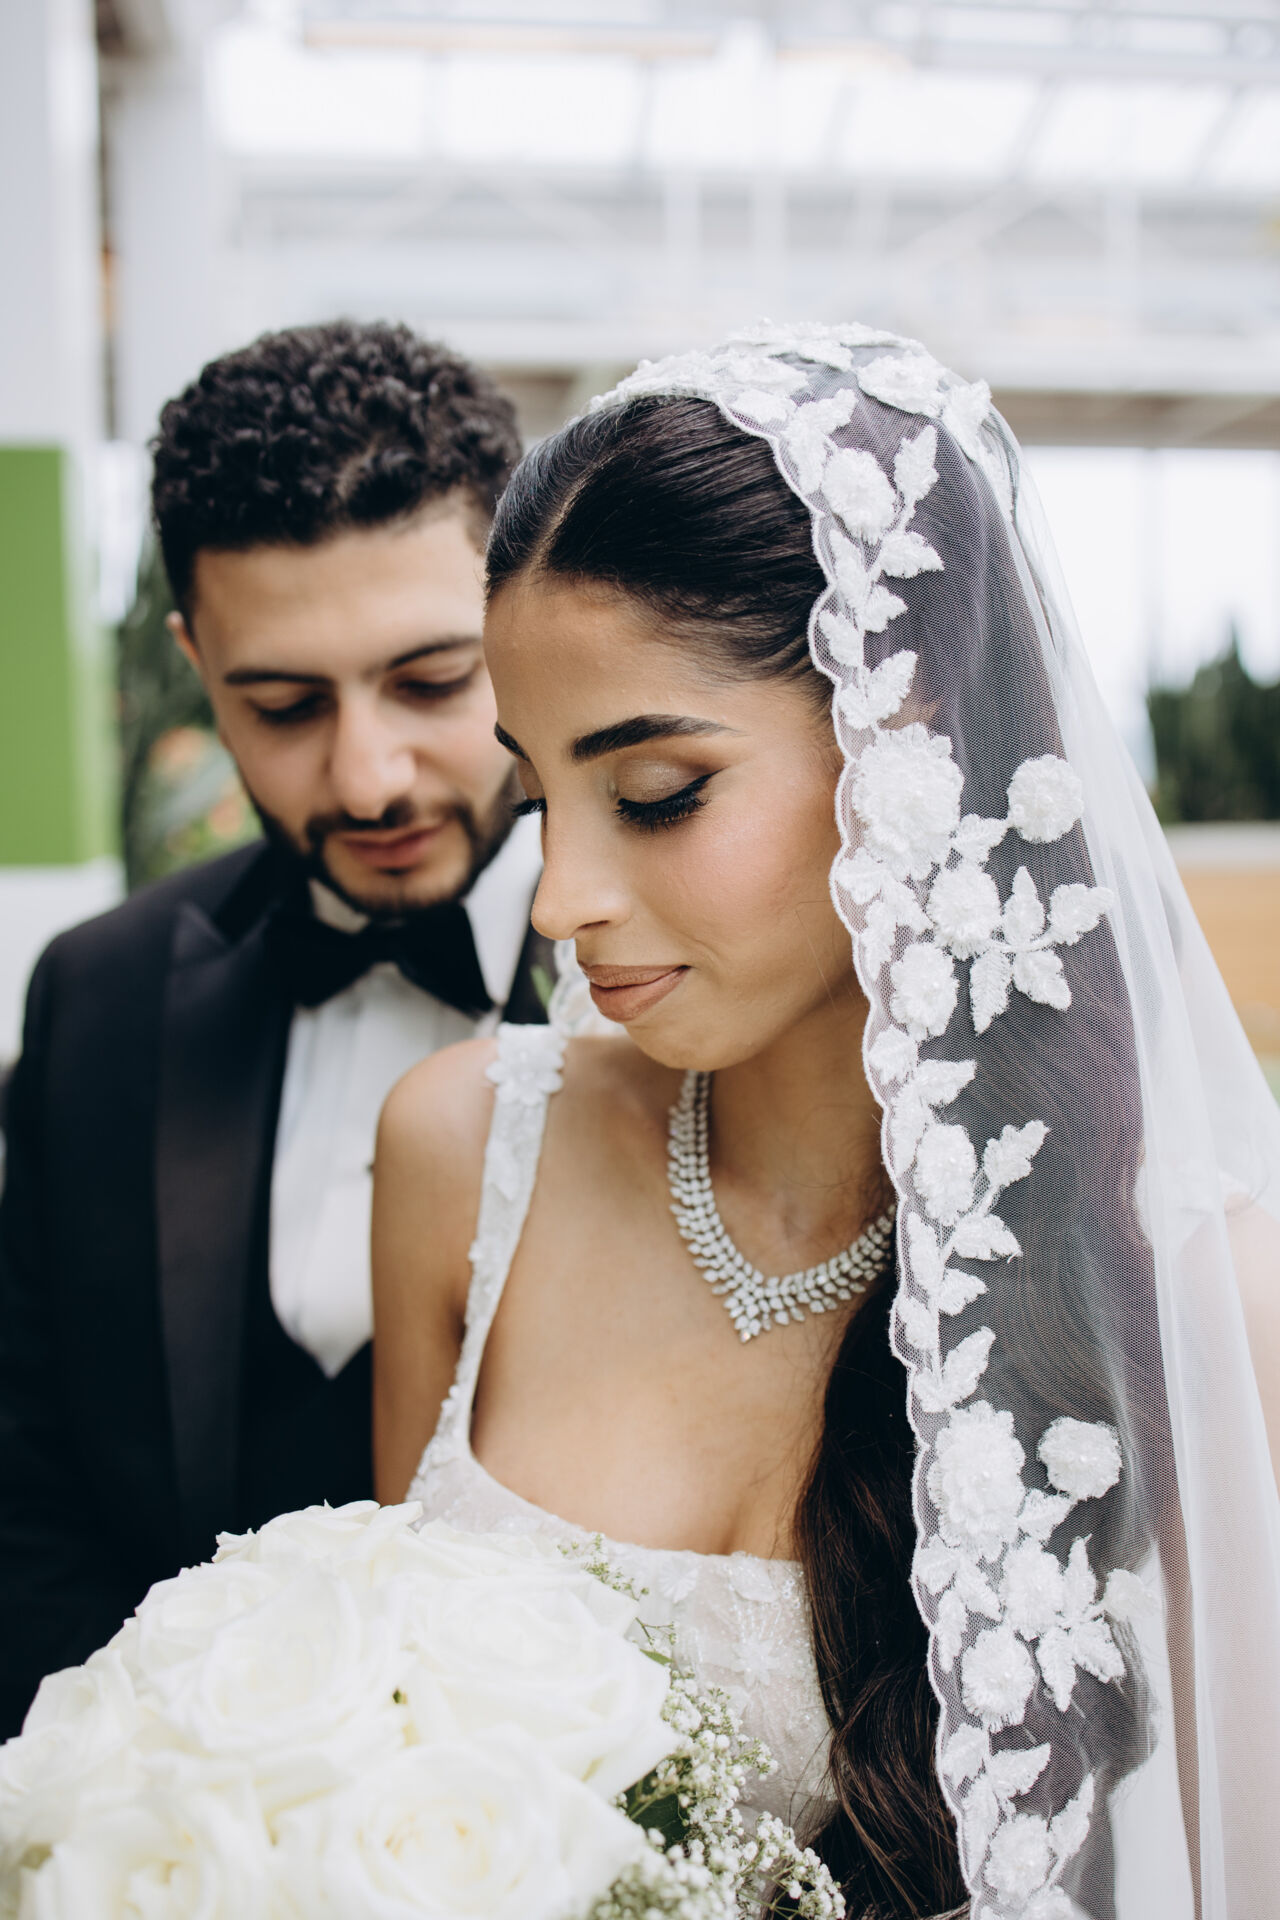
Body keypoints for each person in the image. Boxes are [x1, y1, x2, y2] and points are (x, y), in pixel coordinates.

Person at [373, 325, 1280, 1919]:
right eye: (536, 799)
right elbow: (376, 1766)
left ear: (905, 728)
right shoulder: (463, 1155)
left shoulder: (1199, 1288)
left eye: (654, 792)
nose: (561, 900)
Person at [0, 320, 551, 1738]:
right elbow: (27, 1492)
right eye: (285, 705)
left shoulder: (689, 985)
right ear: (196, 660)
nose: (367, 778)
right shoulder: (98, 999)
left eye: (432, 681)